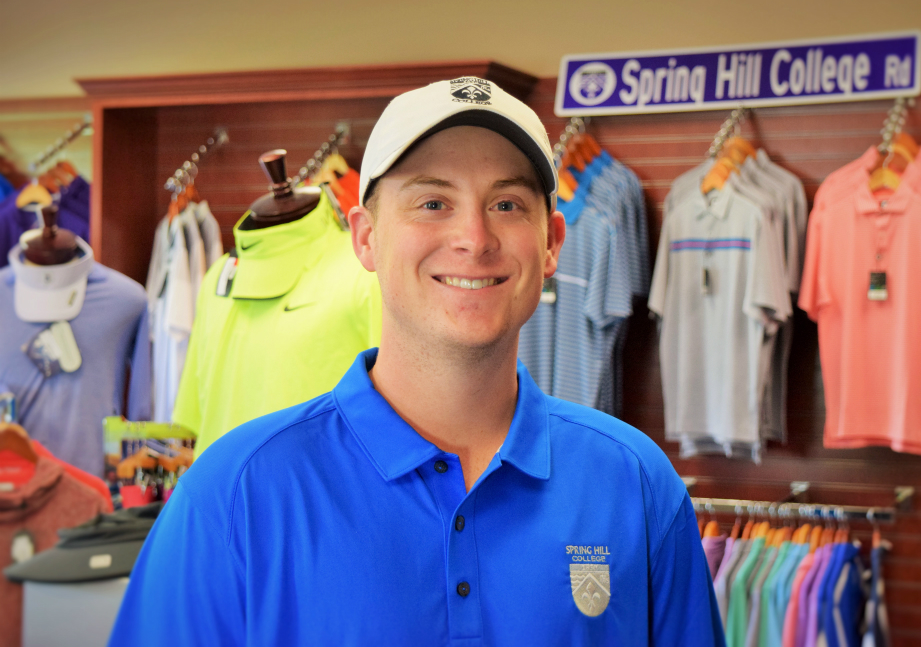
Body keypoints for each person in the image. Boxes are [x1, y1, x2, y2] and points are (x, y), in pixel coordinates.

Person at [108, 77, 725, 646]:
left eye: (507, 205)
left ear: (552, 244)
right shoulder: (234, 495)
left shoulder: (636, 485)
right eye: (433, 203)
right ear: (366, 238)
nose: (475, 239)